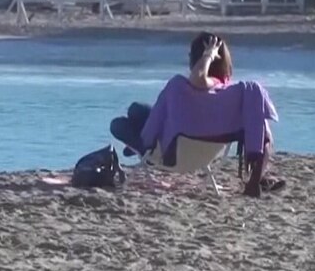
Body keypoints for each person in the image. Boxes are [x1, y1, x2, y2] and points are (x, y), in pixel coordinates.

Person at [111, 32, 284, 198]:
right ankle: (133, 147)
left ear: (198, 58)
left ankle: (135, 149)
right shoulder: (237, 97)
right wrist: (257, 176)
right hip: (204, 155)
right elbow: (264, 137)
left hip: (169, 155)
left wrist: (208, 54)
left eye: (190, 54)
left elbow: (198, 79)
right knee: (136, 109)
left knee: (118, 124)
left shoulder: (179, 86)